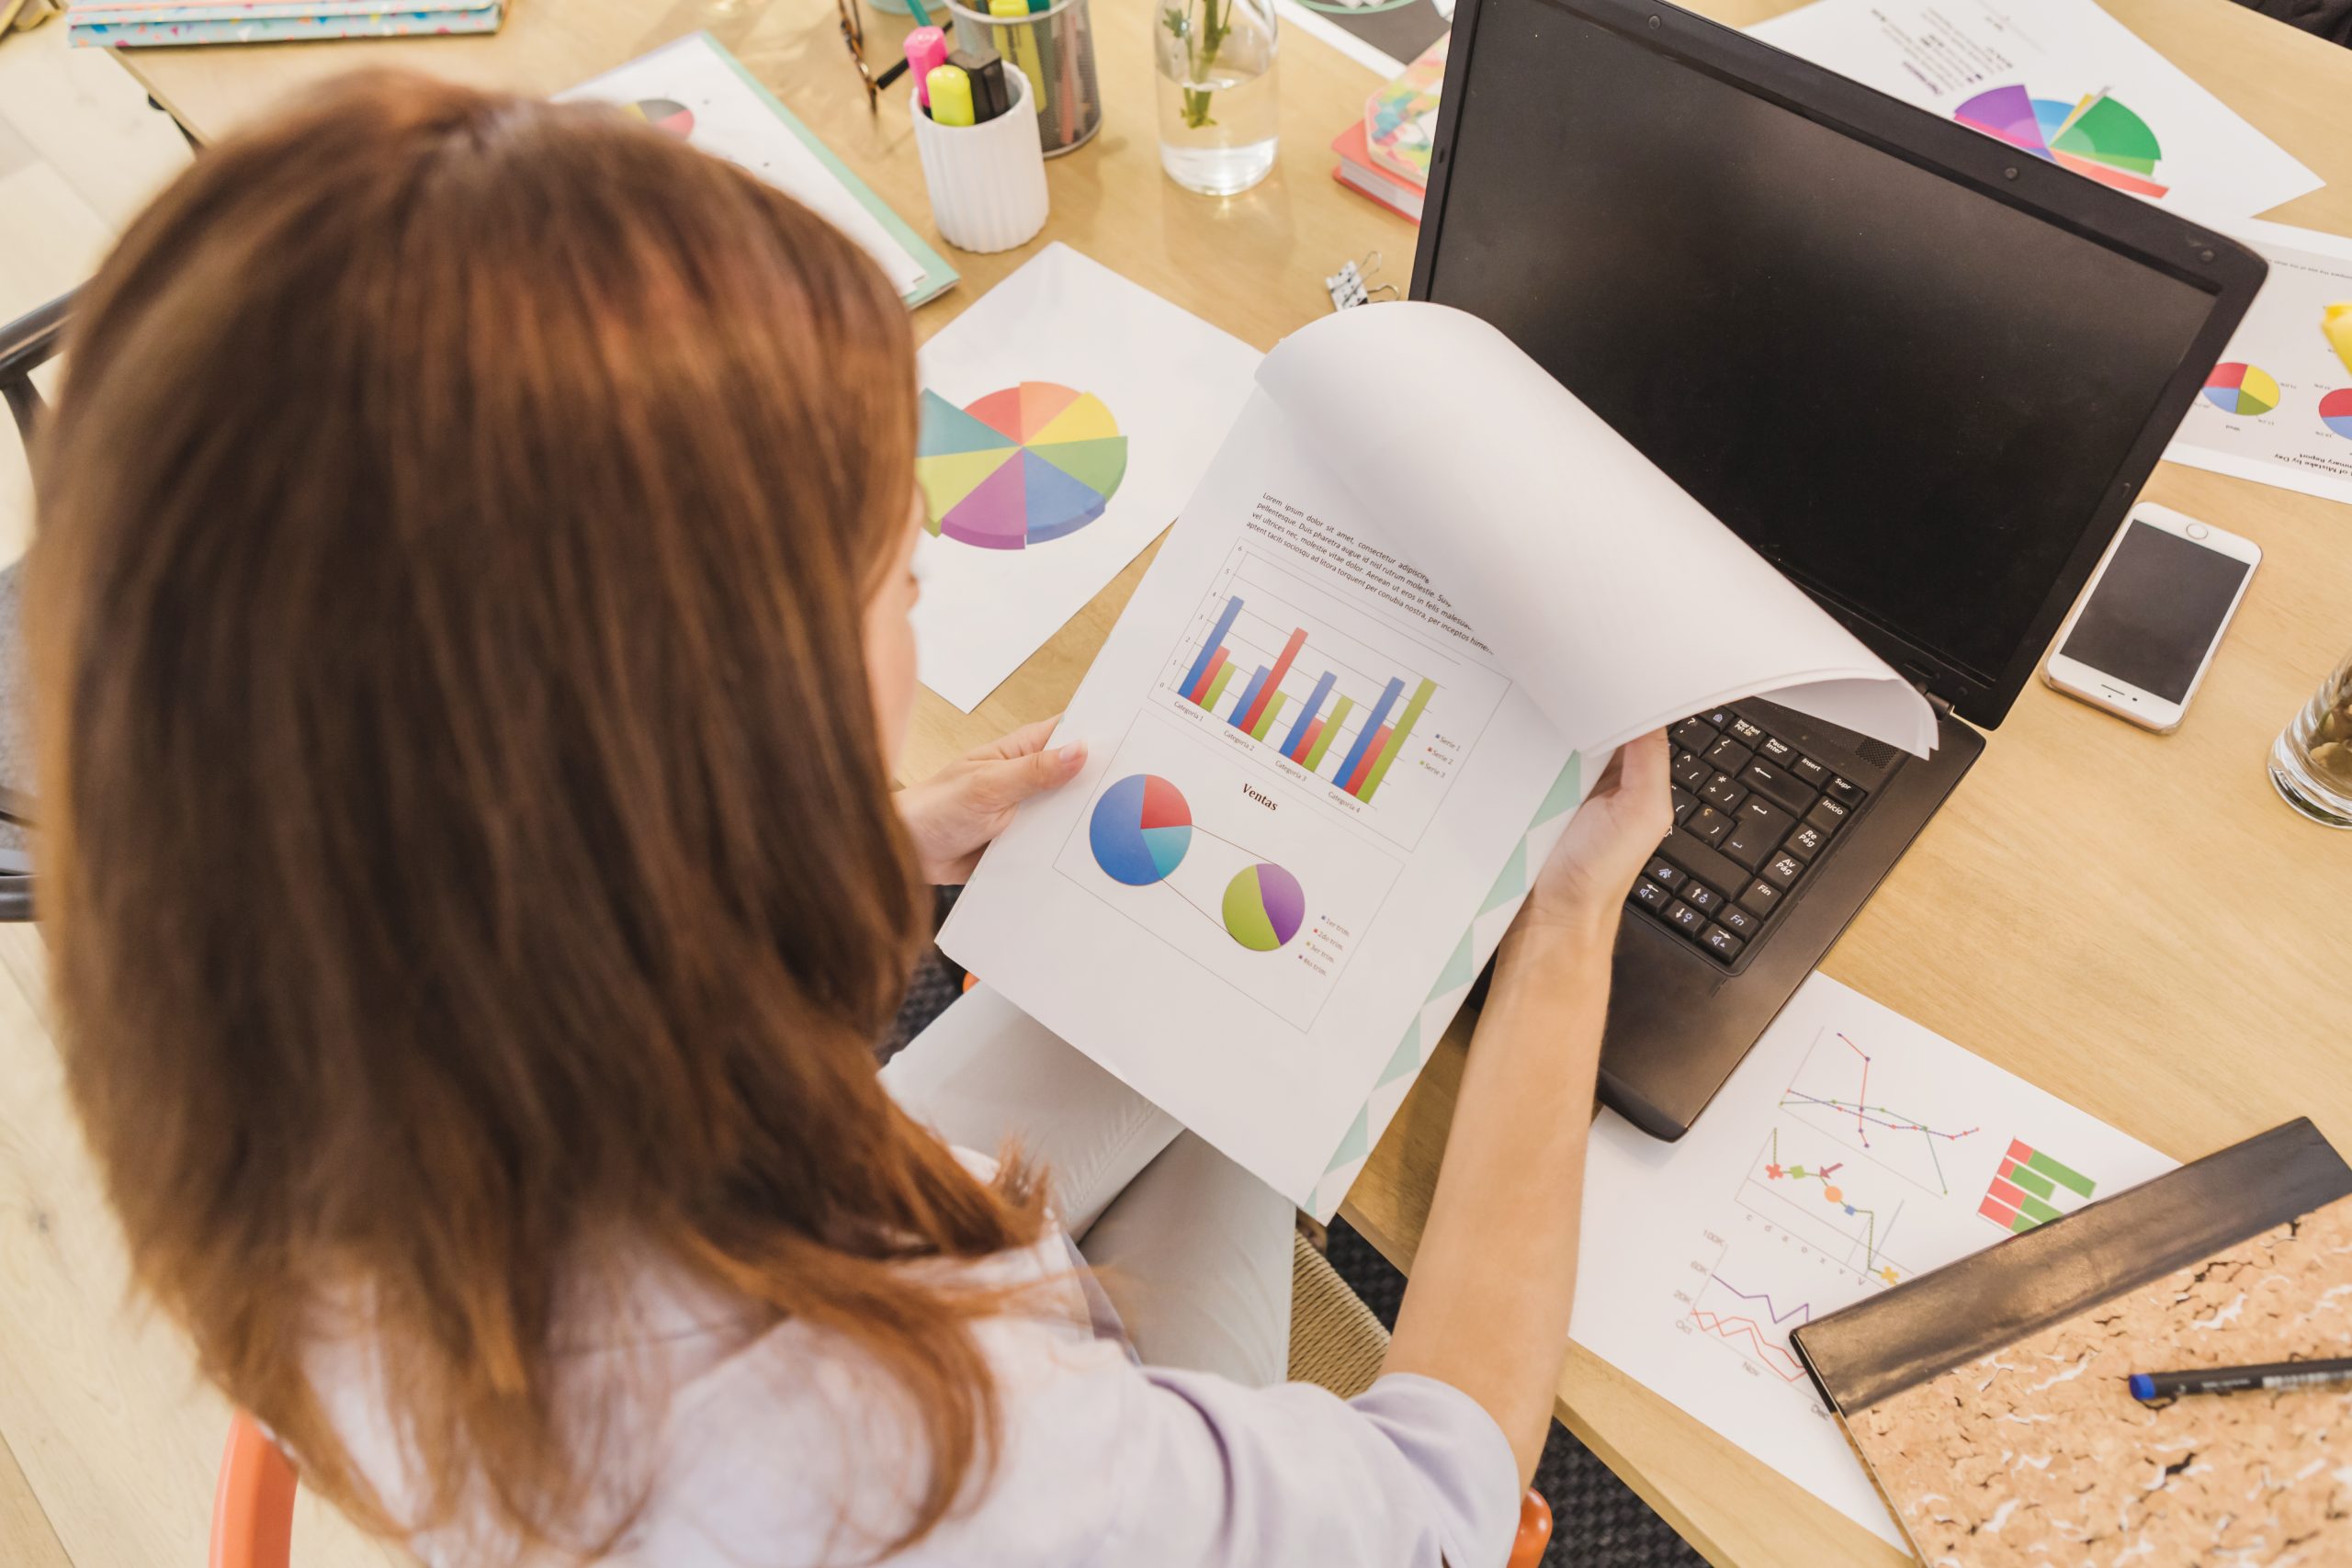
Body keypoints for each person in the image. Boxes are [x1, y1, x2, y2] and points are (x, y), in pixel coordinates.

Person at [30, 72, 1669, 1568]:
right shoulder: (903, 1458)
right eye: (898, 575)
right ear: (700, 733)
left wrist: (879, 842)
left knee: (1224, 1019)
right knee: (1260, 1043)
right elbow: (1440, 1510)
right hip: (949, 1408)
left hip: (790, 1293)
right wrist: (1567, 931)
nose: (920, 595)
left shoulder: (276, 1041)